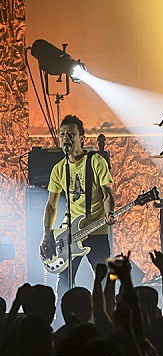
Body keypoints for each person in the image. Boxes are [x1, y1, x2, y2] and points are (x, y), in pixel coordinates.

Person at [40, 114, 115, 303]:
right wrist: (47, 234)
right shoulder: (59, 169)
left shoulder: (96, 161)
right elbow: (51, 205)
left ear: (82, 138)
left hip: (96, 231)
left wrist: (109, 213)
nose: (66, 138)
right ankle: (62, 315)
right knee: (64, 282)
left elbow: (107, 194)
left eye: (71, 134)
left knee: (104, 280)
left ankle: (106, 314)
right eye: (62, 134)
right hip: (70, 232)